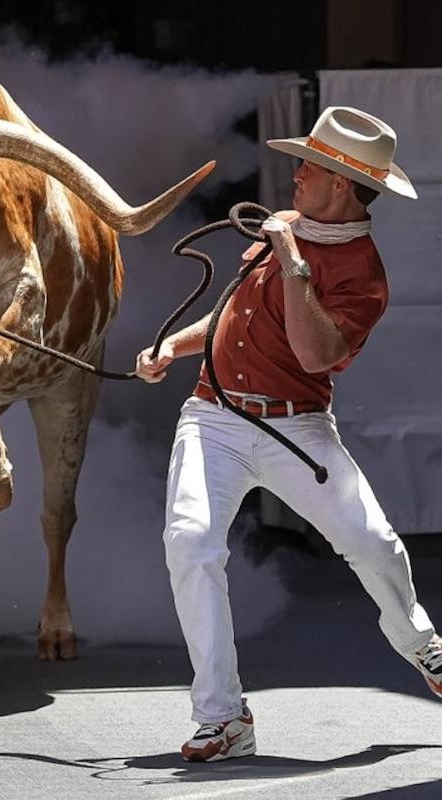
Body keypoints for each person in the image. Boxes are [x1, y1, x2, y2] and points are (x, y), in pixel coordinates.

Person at [135, 106, 442, 763]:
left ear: (340, 183)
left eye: (311, 166)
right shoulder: (285, 232)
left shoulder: (363, 273)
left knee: (371, 543)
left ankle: (420, 644)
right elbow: (233, 314)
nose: (297, 174)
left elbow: (311, 353)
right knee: (190, 542)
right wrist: (170, 346)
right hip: (214, 415)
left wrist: (292, 256)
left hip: (296, 426)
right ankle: (222, 718)